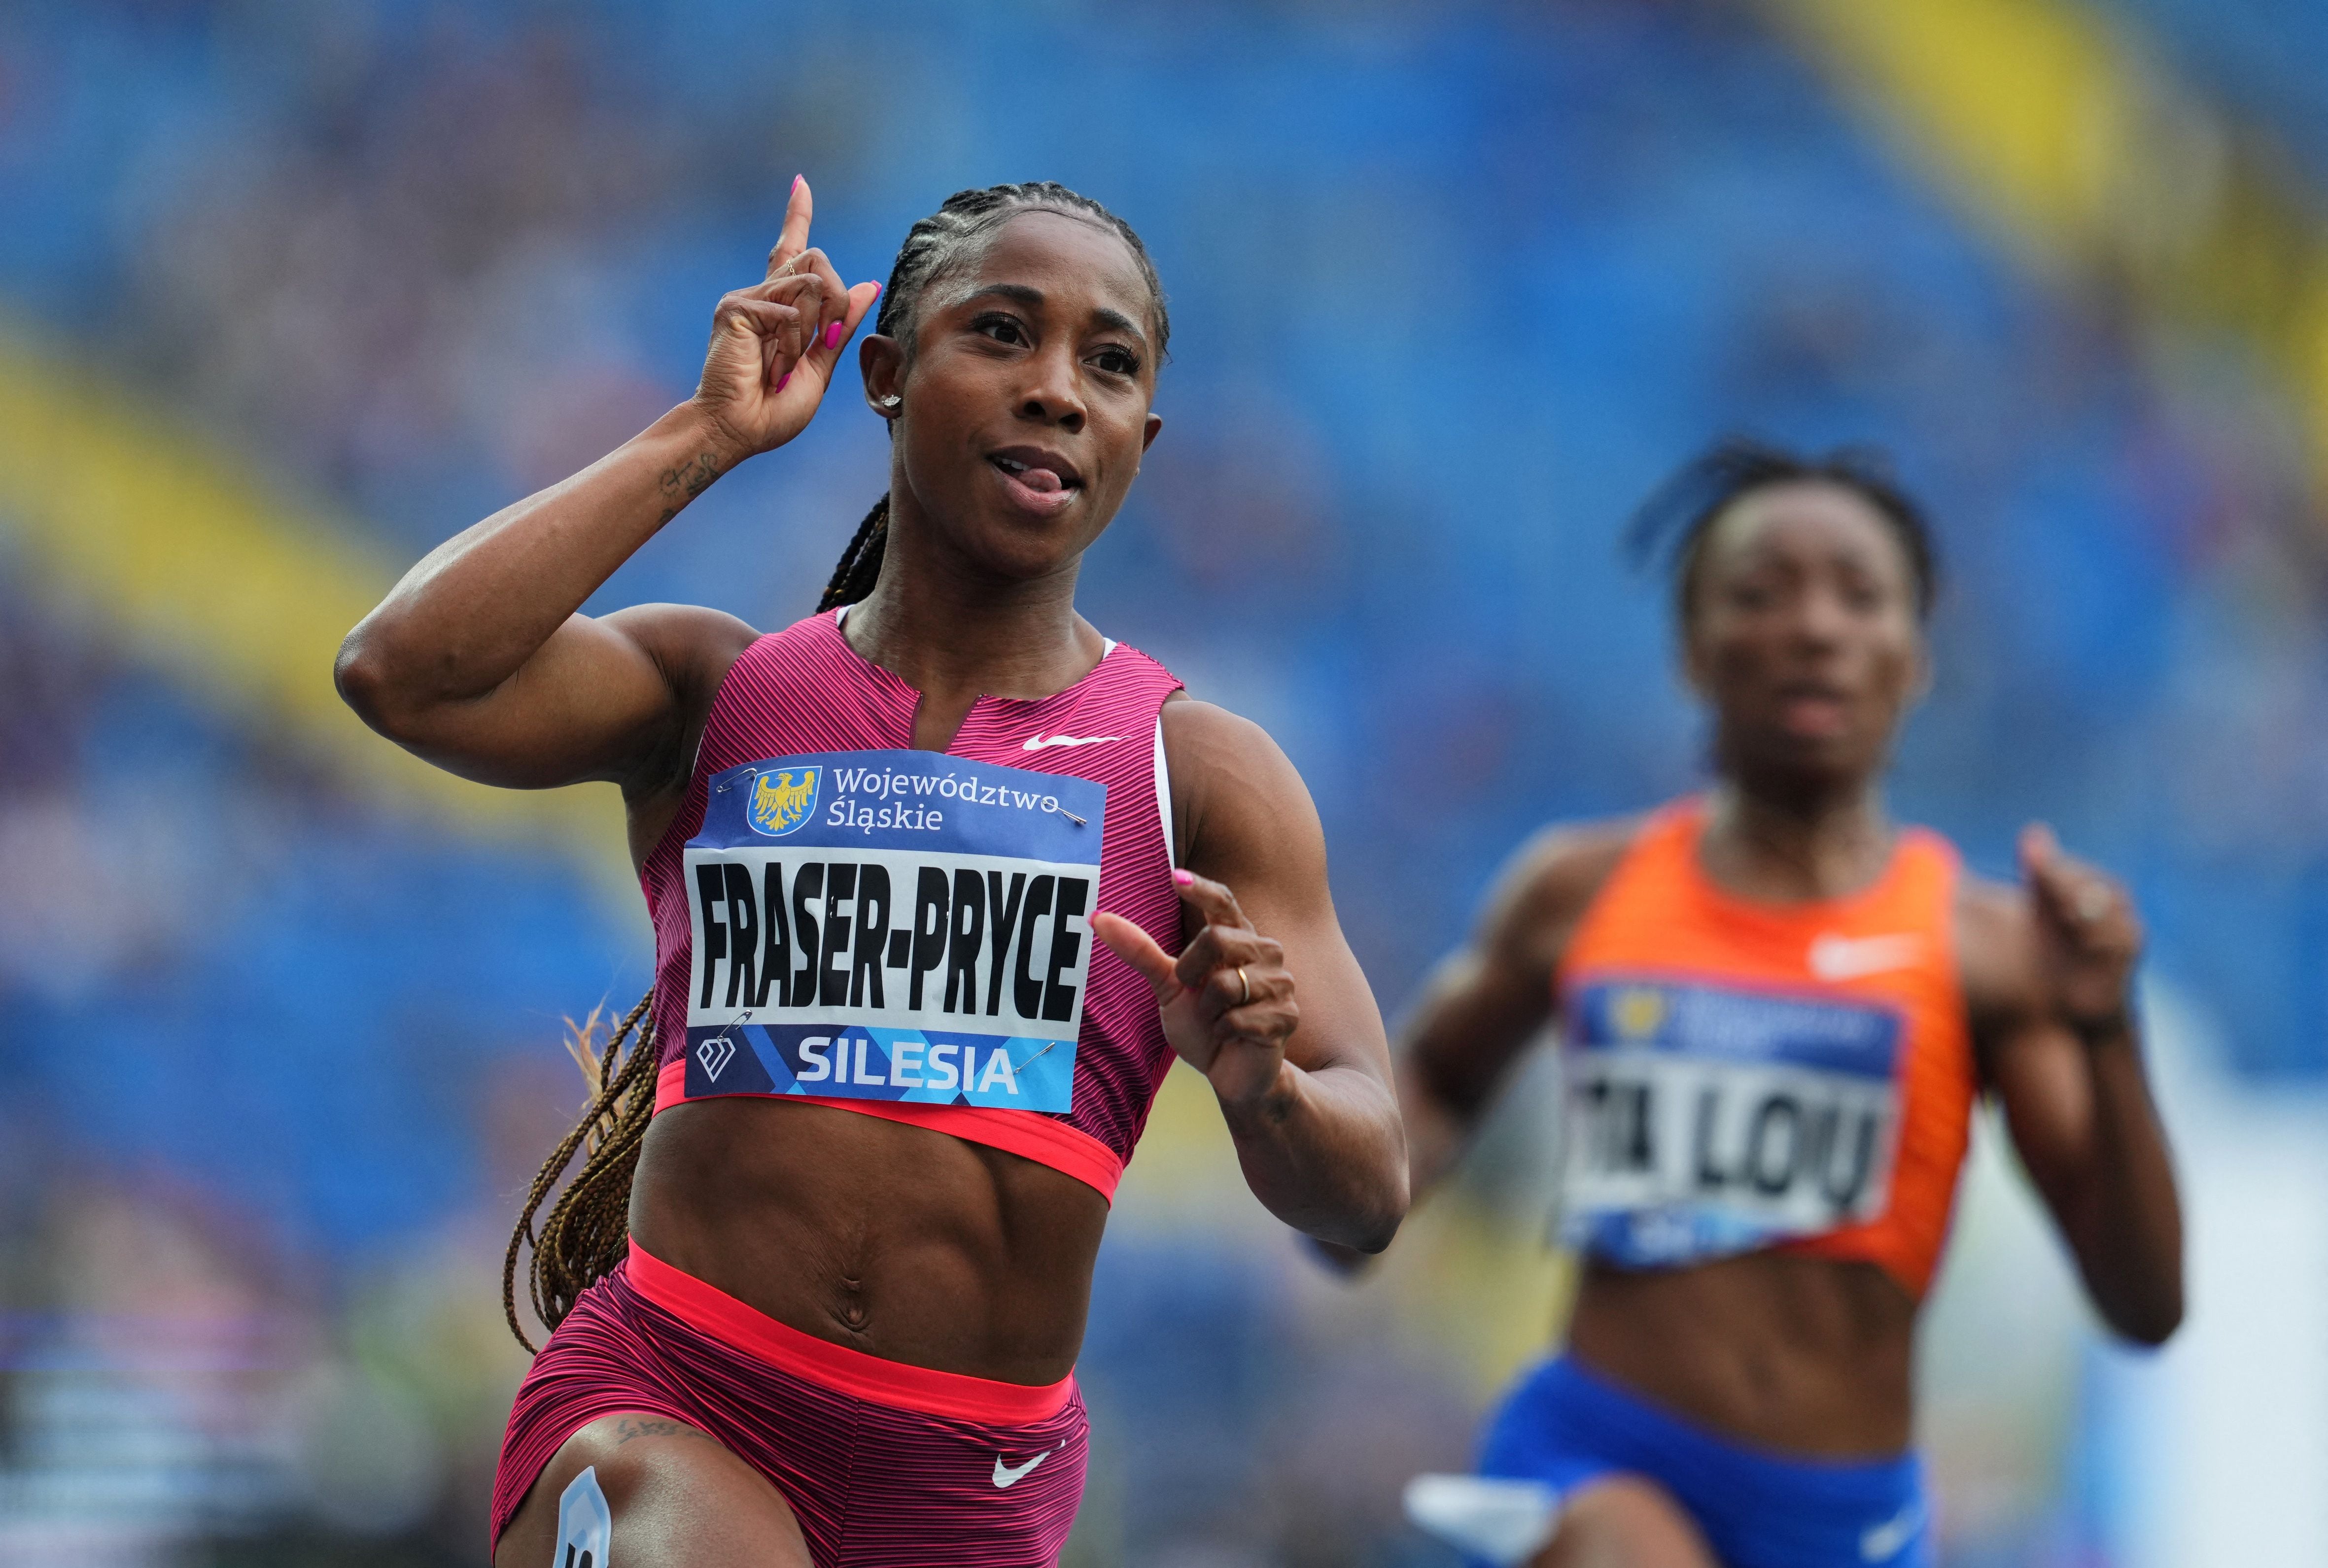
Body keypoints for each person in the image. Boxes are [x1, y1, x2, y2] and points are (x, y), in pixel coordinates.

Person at [335, 175, 1408, 1568]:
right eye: (1004, 333)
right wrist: (706, 435)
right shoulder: (712, 692)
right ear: (886, 373)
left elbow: (1368, 1178)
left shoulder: (1194, 774)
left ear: (1142, 434)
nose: (1055, 389)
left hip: (970, 1481)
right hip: (680, 1392)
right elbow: (399, 671)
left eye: (1108, 362)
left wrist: (1261, 1084)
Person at [1382, 442, 2183, 1568]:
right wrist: (1345, 1173)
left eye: (1861, 596)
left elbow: (2144, 1303)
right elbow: (1430, 1090)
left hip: (1842, 1516)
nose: (1814, 628)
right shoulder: (1580, 892)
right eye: (1761, 594)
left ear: (1915, 658)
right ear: (1692, 653)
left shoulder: (1984, 952)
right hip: (1600, 1456)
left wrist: (2108, 1031)